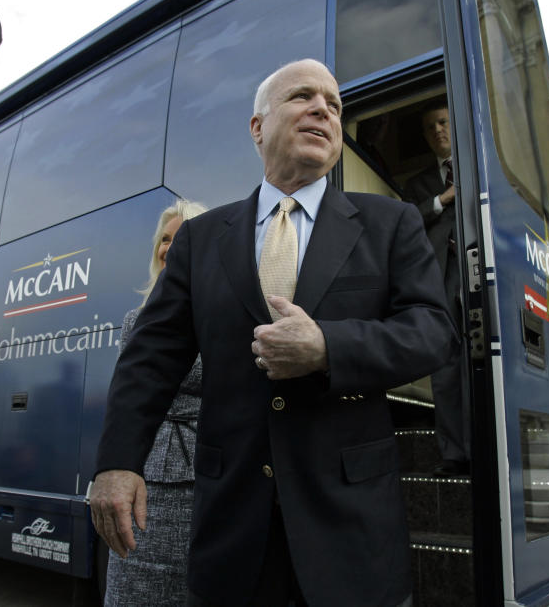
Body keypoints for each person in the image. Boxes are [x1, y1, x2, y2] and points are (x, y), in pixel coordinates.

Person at [89, 59, 456, 607]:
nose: (323, 110)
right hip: (234, 532)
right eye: (302, 97)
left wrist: (329, 347)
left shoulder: (390, 223)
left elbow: (431, 332)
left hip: (350, 534)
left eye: (333, 104)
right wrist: (118, 463)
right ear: (258, 127)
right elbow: (150, 358)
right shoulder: (200, 239)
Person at [103, 199, 207, 607]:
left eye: (179, 239)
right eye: (163, 240)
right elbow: (125, 401)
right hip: (148, 483)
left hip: (208, 480)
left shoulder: (224, 314)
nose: (167, 248)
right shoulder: (136, 319)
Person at [404, 99, 470, 477]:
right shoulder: (420, 183)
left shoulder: (476, 165)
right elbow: (407, 217)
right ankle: (454, 454)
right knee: (445, 367)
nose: (438, 131)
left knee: (480, 362)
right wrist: (442, 200)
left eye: (443, 122)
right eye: (430, 127)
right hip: (441, 277)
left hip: (478, 270)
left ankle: (484, 443)